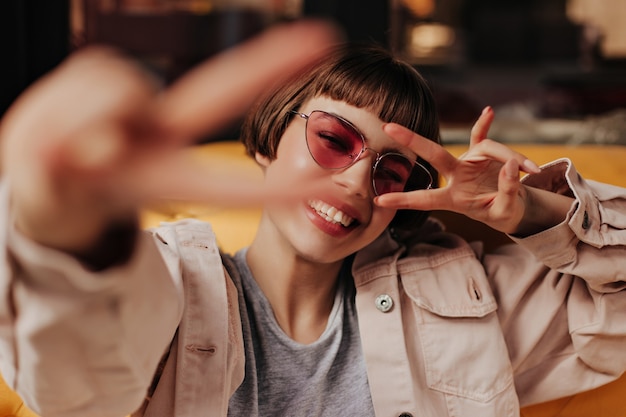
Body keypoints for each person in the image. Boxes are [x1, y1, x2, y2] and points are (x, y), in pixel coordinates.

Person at [1, 19, 626, 417]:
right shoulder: (168, 284)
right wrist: (60, 231)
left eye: (390, 170)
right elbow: (72, 387)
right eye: (333, 140)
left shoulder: (467, 295)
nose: (357, 180)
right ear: (272, 138)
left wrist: (532, 211)